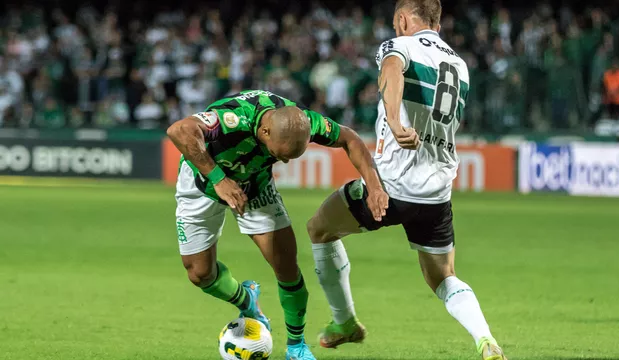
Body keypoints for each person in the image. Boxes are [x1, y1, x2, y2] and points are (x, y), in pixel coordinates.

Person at [306, 1, 508, 359]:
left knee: (319, 228)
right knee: (443, 278)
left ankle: (345, 322)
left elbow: (392, 70)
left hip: (389, 185)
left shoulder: (399, 46)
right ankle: (485, 339)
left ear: (402, 19)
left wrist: (396, 122)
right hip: (435, 193)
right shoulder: (459, 65)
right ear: (438, 24)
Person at [166, 89, 387, 360]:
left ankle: (296, 346)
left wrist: (374, 187)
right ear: (266, 132)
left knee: (286, 268)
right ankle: (247, 301)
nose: (282, 160)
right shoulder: (233, 119)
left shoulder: (305, 120)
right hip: (202, 183)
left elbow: (349, 138)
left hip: (256, 187)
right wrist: (219, 179)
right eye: (280, 154)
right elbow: (180, 130)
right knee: (200, 274)